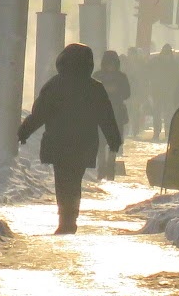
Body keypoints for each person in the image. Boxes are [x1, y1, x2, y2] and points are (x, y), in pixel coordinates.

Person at [18, 43, 123, 235]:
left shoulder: (54, 85)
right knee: (75, 180)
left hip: (58, 142)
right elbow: (106, 117)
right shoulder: (95, 88)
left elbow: (39, 113)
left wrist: (24, 131)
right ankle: (70, 218)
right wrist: (114, 139)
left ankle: (64, 219)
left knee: (62, 181)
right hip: (84, 144)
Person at [94, 50, 131, 178]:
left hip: (117, 114)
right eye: (108, 63)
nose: (110, 66)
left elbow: (127, 93)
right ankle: (101, 166)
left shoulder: (121, 77)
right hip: (100, 113)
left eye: (113, 63)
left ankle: (111, 165)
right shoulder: (97, 76)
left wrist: (117, 91)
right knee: (100, 141)